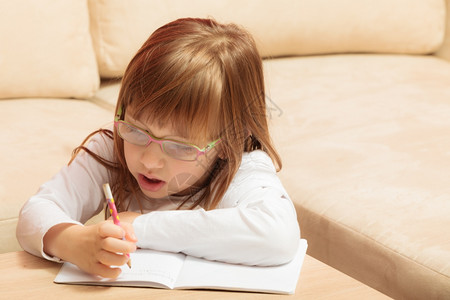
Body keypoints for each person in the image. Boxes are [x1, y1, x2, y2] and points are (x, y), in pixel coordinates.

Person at [16, 18, 300, 278]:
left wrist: (139, 227)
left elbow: (278, 235)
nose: (150, 160)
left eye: (179, 146)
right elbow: (35, 212)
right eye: (137, 130)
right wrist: (70, 241)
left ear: (229, 142)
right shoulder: (111, 147)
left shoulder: (242, 165)